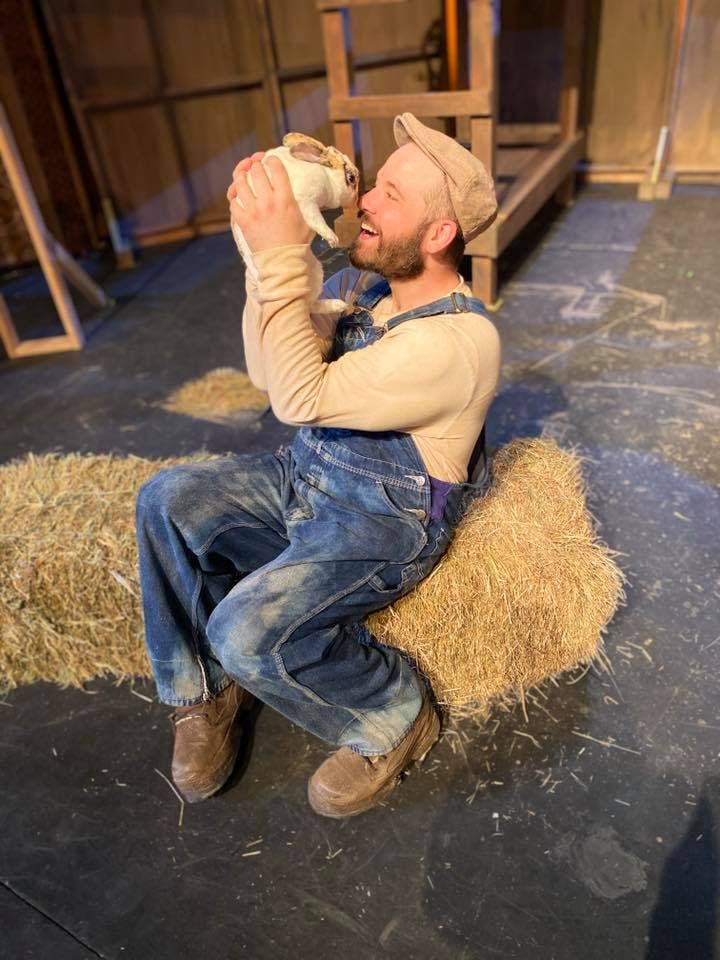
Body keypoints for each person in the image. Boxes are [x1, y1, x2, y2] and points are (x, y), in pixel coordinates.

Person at [135, 113, 501, 818]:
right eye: (375, 185)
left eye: (390, 195)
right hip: (308, 479)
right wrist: (261, 254)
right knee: (168, 499)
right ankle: (206, 691)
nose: (365, 202)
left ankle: (393, 714)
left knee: (241, 629)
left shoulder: (459, 341)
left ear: (438, 234)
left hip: (379, 524)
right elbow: (269, 373)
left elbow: (300, 398)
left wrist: (283, 256)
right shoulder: (365, 288)